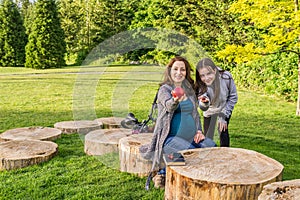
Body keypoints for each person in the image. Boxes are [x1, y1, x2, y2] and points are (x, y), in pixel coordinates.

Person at [140, 56, 216, 190]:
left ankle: (204, 175)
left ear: (186, 72)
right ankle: (161, 174)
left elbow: (195, 115)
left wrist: (199, 131)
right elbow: (169, 106)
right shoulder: (164, 90)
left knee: (211, 146)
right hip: (170, 138)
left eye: (183, 69)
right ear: (170, 71)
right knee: (190, 153)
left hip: (191, 136)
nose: (179, 72)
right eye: (175, 69)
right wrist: (175, 99)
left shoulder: (190, 91)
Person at [195, 58, 238, 147]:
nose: (206, 78)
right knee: (207, 137)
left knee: (223, 130)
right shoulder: (200, 83)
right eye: (202, 75)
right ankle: (209, 157)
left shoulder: (226, 77)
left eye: (209, 73)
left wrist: (224, 116)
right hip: (210, 110)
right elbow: (203, 107)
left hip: (224, 107)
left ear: (214, 70)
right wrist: (204, 102)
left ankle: (225, 155)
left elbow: (233, 97)